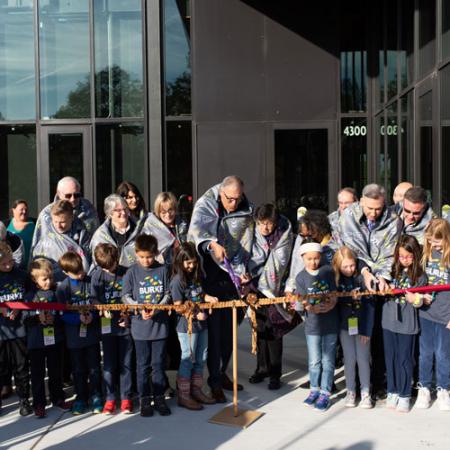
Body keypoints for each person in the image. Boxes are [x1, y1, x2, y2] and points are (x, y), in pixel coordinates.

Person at [187, 176, 254, 402]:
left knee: (230, 332)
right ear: (221, 193)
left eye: (238, 199)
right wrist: (211, 243)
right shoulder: (206, 203)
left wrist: (244, 269)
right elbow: (197, 231)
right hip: (210, 276)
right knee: (214, 334)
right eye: (229, 199)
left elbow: (247, 242)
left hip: (233, 276)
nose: (233, 204)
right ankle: (214, 381)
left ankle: (223, 372)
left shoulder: (246, 209)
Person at [334, 183, 402, 399]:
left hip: (383, 280)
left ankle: (378, 383)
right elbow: (352, 249)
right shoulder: (348, 218)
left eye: (378, 209)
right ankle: (357, 386)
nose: (373, 214)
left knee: (379, 333)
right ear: (361, 202)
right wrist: (364, 272)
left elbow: (390, 252)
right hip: (356, 278)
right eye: (369, 208)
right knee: (358, 336)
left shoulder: (393, 219)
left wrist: (382, 276)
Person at [122, 234, 172, 417]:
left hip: (159, 328)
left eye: (149, 257)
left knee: (158, 365)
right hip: (140, 329)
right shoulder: (132, 272)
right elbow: (125, 295)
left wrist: (157, 309)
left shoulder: (163, 270)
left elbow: (168, 293)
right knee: (142, 365)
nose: (146, 260)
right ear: (136, 254)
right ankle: (144, 399)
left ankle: (159, 397)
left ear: (156, 253)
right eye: (142, 257)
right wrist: (139, 308)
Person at [247, 204, 294, 390]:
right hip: (255, 286)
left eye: (270, 223)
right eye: (262, 223)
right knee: (259, 328)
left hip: (276, 287)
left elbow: (286, 261)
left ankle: (275, 373)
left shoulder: (284, 234)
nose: (266, 228)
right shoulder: (250, 233)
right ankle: (262, 368)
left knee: (275, 330)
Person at [170, 242, 217, 410]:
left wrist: (207, 297)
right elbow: (178, 306)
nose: (191, 265)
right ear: (179, 261)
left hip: (201, 324)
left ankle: (196, 390)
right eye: (187, 262)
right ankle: (184, 394)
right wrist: (195, 314)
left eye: (193, 262)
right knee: (188, 358)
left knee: (201, 357)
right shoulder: (177, 281)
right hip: (187, 327)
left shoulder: (195, 276)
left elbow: (198, 293)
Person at [382, 235, 426, 413]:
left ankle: (405, 394)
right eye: (401, 256)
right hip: (388, 321)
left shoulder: (420, 275)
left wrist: (416, 299)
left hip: (407, 323)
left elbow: (422, 301)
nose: (405, 260)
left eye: (409, 256)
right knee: (390, 358)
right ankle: (392, 390)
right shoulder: (390, 270)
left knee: (405, 359)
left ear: (415, 255)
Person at [294, 240, 339, 412]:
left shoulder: (327, 271)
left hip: (330, 324)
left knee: (328, 360)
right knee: (314, 361)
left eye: (316, 258)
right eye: (309, 259)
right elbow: (301, 301)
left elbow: (334, 293)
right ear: (303, 258)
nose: (313, 262)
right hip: (312, 326)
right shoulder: (300, 278)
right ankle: (314, 389)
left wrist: (330, 305)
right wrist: (311, 307)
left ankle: (325, 392)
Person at [56, 251, 102, 415]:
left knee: (95, 367)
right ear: (66, 273)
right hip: (74, 338)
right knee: (78, 369)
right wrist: (78, 319)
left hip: (92, 335)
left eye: (82, 270)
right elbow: (62, 314)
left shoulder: (90, 282)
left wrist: (92, 316)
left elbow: (98, 304)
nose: (81, 274)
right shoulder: (63, 288)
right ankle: (81, 397)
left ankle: (97, 395)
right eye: (76, 273)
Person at [23, 259, 70, 418]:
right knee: (37, 374)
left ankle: (57, 398)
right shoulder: (29, 297)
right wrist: (38, 319)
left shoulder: (57, 294)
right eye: (44, 279)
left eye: (50, 277)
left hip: (55, 340)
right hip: (36, 343)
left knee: (56, 371)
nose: (49, 281)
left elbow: (63, 315)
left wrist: (54, 320)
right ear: (34, 279)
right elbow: (25, 320)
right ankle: (39, 403)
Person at [90, 244, 133, 415]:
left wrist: (127, 314)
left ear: (117, 259)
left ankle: (126, 398)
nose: (109, 270)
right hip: (107, 326)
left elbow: (133, 296)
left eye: (112, 266)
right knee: (108, 364)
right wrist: (100, 307)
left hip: (124, 325)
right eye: (105, 268)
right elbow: (93, 298)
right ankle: (109, 398)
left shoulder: (126, 272)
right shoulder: (97, 276)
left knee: (127, 363)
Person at [332, 246, 374, 409]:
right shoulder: (336, 280)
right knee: (349, 360)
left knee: (363, 359)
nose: (349, 269)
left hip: (362, 326)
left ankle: (365, 392)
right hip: (345, 326)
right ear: (338, 266)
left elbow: (370, 305)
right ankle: (351, 391)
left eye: (352, 265)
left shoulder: (362, 278)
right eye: (345, 267)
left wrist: (367, 330)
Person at [415, 219, 450, 411]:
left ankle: (443, 389)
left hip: (446, 315)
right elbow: (419, 281)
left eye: (438, 241)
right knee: (425, 353)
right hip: (426, 313)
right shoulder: (425, 255)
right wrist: (420, 295)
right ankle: (424, 388)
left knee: (444, 354)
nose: (434, 245)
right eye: (430, 241)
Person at [0, 242, 32, 416]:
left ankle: (24, 399)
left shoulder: (20, 274)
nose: (8, 266)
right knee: (2, 366)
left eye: (10, 262)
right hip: (2, 331)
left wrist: (19, 307)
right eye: (4, 264)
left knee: (21, 366)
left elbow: (30, 292)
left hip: (19, 328)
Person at [31, 176, 99, 253]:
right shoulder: (46, 214)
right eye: (68, 196)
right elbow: (39, 242)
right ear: (59, 194)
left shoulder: (88, 208)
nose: (73, 199)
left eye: (76, 195)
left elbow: (96, 236)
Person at [31, 200, 91, 282]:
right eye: (55, 221)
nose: (59, 226)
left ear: (72, 217)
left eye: (63, 222)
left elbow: (87, 260)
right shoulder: (46, 234)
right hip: (50, 285)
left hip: (77, 283)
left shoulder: (82, 234)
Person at [286, 210, 334, 293]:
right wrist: (289, 288)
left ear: (321, 231)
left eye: (309, 235)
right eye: (302, 235)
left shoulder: (333, 246)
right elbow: (296, 262)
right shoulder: (301, 239)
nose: (305, 239)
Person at [90, 194, 142, 269]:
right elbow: (97, 262)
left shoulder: (140, 229)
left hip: (137, 275)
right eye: (118, 210)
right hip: (111, 277)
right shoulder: (101, 235)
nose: (123, 213)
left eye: (125, 209)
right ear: (110, 213)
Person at [141, 192, 188, 267]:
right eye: (163, 212)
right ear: (158, 212)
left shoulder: (183, 225)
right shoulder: (151, 227)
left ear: (175, 209)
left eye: (170, 210)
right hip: (159, 269)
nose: (168, 215)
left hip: (182, 267)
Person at [7, 199, 35, 264]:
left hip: (32, 265)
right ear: (13, 210)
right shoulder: (6, 224)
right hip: (11, 266)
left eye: (26, 209)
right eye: (21, 209)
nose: (24, 211)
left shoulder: (35, 223)